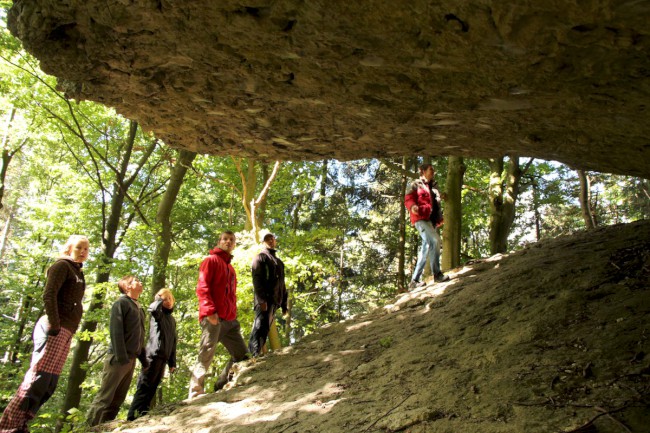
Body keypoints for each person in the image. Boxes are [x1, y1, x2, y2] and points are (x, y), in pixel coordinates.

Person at [0, 235, 89, 433]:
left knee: (49, 382)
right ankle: (7, 426)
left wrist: (69, 330)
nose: (83, 252)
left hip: (66, 331)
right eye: (79, 248)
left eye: (86, 249)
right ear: (68, 249)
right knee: (37, 378)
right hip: (53, 329)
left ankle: (22, 425)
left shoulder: (78, 272)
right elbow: (49, 295)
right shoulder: (61, 266)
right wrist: (55, 325)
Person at [188, 231, 249, 399]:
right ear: (219, 242)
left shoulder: (230, 268)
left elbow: (231, 294)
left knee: (242, 356)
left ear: (234, 244)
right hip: (214, 318)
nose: (228, 242)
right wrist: (210, 312)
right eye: (225, 239)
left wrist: (233, 314)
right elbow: (202, 287)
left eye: (232, 240)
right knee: (206, 354)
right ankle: (195, 392)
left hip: (230, 320)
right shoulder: (211, 261)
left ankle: (221, 384)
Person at [87, 276, 147, 426]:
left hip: (131, 359)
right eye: (136, 281)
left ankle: (106, 427)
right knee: (105, 397)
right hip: (118, 358)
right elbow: (116, 331)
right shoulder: (121, 303)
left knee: (118, 398)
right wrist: (121, 357)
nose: (140, 283)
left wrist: (143, 360)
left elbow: (140, 335)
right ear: (127, 287)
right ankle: (90, 428)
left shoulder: (139, 307)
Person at [127, 289, 177, 421]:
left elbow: (173, 342)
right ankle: (132, 416)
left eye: (170, 299)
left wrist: (172, 362)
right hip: (152, 356)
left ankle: (142, 414)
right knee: (144, 385)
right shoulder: (158, 314)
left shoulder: (172, 320)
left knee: (153, 387)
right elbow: (153, 309)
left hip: (164, 358)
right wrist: (159, 299)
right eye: (165, 299)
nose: (168, 301)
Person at [404, 163, 450, 289]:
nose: (433, 171)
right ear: (423, 171)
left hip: (432, 221)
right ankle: (437, 274)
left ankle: (414, 281)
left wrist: (440, 218)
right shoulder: (415, 184)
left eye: (434, 169)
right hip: (420, 219)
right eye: (431, 169)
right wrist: (413, 206)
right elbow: (408, 198)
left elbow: (436, 205)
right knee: (435, 241)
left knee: (425, 249)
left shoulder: (434, 187)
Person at [248, 233, 288, 357]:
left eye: (272, 239)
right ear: (263, 242)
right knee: (259, 327)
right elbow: (257, 280)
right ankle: (251, 355)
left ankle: (255, 354)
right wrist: (261, 300)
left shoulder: (279, 262)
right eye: (267, 239)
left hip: (275, 300)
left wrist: (284, 304)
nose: (270, 241)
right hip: (264, 301)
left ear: (275, 241)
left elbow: (282, 283)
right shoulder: (260, 258)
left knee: (264, 329)